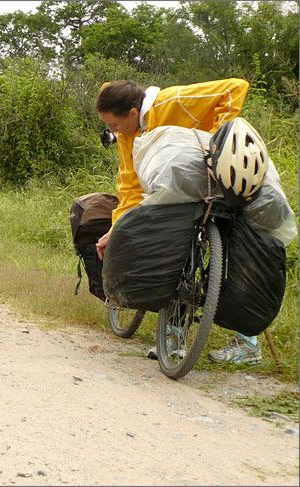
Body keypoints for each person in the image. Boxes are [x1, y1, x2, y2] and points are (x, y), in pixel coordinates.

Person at [94, 78, 261, 364]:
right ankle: (173, 335)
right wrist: (116, 229)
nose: (112, 132)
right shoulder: (128, 137)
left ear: (133, 114)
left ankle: (248, 343)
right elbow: (130, 187)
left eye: (113, 125)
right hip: (181, 193)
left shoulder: (172, 101)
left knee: (237, 256)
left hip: (222, 179)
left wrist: (217, 142)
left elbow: (234, 88)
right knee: (176, 257)